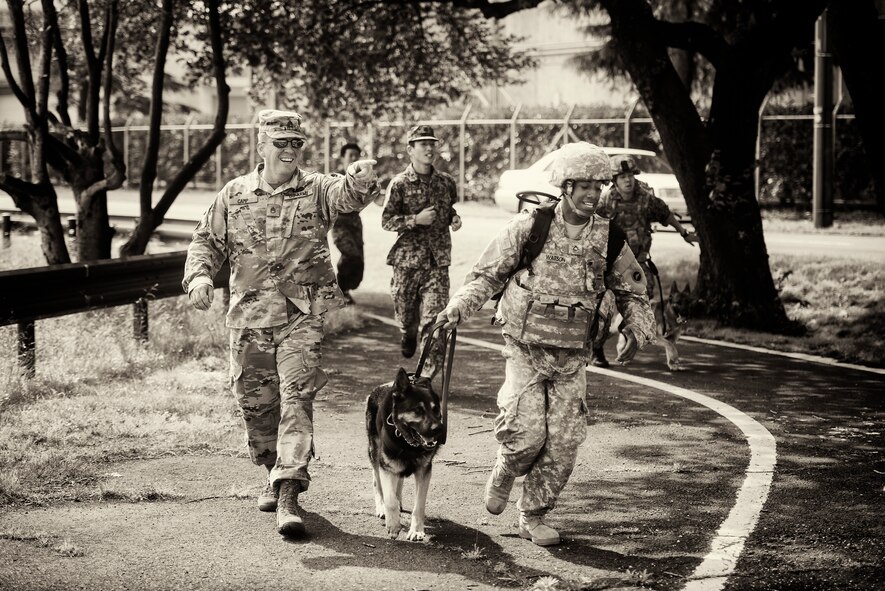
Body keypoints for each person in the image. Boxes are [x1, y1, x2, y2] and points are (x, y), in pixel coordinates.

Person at [435, 142, 655, 547]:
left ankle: (532, 515)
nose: (593, 194)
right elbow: (486, 275)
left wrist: (635, 330)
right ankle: (506, 468)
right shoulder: (531, 227)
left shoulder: (608, 237)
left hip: (573, 357)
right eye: (584, 185)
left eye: (598, 186)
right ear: (565, 186)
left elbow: (634, 292)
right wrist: (458, 308)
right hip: (525, 349)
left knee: (566, 440)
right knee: (525, 435)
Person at [182, 109, 379, 538]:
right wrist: (199, 275)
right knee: (256, 406)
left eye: (296, 143)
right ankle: (272, 470)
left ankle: (289, 491)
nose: (289, 150)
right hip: (249, 319)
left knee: (296, 397)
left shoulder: (316, 189)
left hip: (301, 317)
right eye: (280, 142)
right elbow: (206, 241)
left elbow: (346, 197)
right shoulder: (234, 194)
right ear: (261, 145)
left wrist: (360, 179)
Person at [591, 154, 698, 367]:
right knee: (604, 308)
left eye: (630, 175)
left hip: (637, 264)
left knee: (642, 309)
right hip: (610, 265)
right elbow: (590, 223)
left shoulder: (646, 199)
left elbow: (666, 215)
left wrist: (684, 232)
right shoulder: (605, 200)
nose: (627, 180)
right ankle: (597, 350)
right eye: (622, 177)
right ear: (614, 180)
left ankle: (627, 336)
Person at [382, 125, 462, 376]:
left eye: (432, 143)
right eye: (422, 144)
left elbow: (448, 209)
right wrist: (414, 220)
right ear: (410, 150)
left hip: (437, 263)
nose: (429, 148)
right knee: (407, 316)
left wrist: (454, 218)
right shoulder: (399, 184)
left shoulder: (446, 182)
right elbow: (386, 221)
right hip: (406, 263)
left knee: (435, 322)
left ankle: (426, 377)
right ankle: (407, 333)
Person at [330, 142, 366, 303]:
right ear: (343, 158)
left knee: (359, 263)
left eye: (356, 156)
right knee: (351, 255)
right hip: (340, 223)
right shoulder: (334, 178)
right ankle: (339, 290)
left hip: (355, 224)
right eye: (350, 155)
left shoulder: (363, 179)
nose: (353, 159)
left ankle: (345, 290)